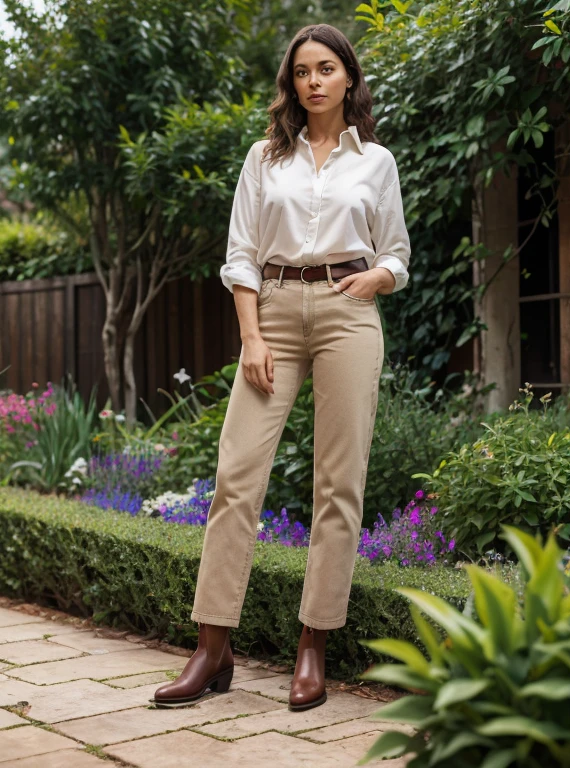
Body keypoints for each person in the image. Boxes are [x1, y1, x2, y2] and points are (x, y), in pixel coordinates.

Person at [153, 22, 410, 712]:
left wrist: (375, 281)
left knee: (339, 483)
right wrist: (253, 336)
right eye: (302, 71)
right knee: (236, 475)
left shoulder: (375, 163)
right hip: (274, 310)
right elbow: (240, 254)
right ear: (292, 84)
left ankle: (312, 647)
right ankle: (212, 649)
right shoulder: (264, 158)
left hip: (347, 313)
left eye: (326, 68)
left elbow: (397, 253)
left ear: (348, 77)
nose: (315, 80)